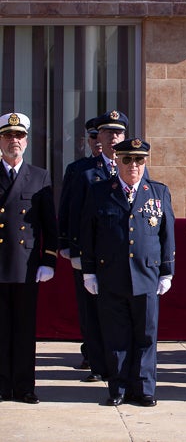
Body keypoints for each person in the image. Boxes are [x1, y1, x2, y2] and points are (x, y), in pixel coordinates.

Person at [81, 138, 175, 407]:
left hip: (147, 276)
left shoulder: (158, 192)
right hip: (112, 276)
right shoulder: (100, 192)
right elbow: (88, 234)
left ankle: (145, 388)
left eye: (139, 160)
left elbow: (167, 236)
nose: (133, 165)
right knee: (116, 335)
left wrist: (167, 271)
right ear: (117, 161)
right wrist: (88, 271)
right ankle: (119, 388)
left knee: (146, 335)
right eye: (127, 159)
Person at [67, 110, 130, 384]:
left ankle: (120, 364)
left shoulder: (134, 166)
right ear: (98, 139)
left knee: (119, 309)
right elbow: (70, 210)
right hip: (90, 252)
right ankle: (95, 362)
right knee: (91, 310)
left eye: (118, 133)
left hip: (121, 254)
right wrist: (71, 249)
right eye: (107, 133)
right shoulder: (81, 170)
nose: (113, 138)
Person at [0, 112, 58, 404]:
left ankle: (24, 387)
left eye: (19, 136)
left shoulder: (39, 176)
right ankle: (2, 385)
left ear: (26, 141)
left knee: (24, 331)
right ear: (0, 141)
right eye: (9, 136)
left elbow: (50, 224)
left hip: (26, 267)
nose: (14, 141)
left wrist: (48, 260)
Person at [58, 116, 101, 371]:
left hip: (113, 250)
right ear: (87, 140)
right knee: (87, 306)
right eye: (93, 137)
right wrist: (66, 243)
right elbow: (66, 209)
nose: (98, 141)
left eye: (102, 136)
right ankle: (91, 352)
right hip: (83, 248)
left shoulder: (122, 164)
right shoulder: (77, 169)